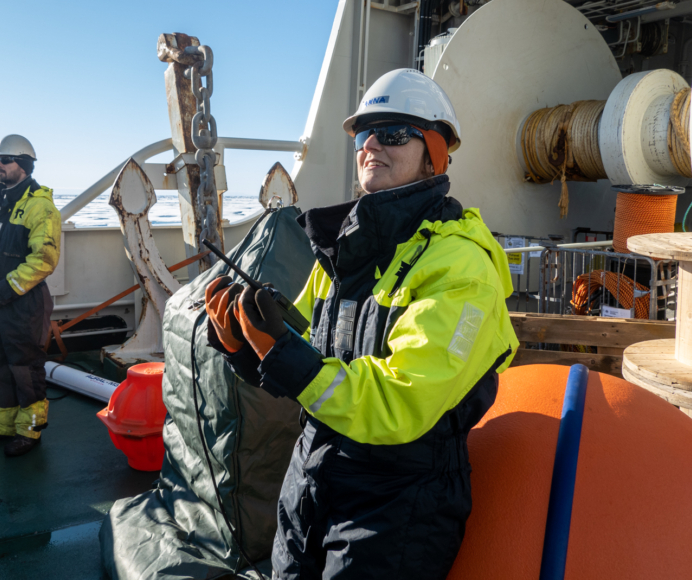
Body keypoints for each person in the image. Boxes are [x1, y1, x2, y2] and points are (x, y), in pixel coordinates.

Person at [205, 69, 518, 579]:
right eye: (364, 133)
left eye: (394, 133)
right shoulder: (345, 252)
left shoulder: (460, 268)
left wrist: (284, 353)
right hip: (311, 474)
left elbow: (401, 401)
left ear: (434, 153)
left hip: (397, 502)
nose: (373, 144)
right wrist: (249, 346)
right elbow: (308, 349)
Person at [0, 134, 61, 457]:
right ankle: (3, 423)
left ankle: (29, 429)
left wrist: (4, 288)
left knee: (25, 364)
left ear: (23, 164)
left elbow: (43, 259)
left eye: (4, 160)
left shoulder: (40, 206)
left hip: (22, 302)